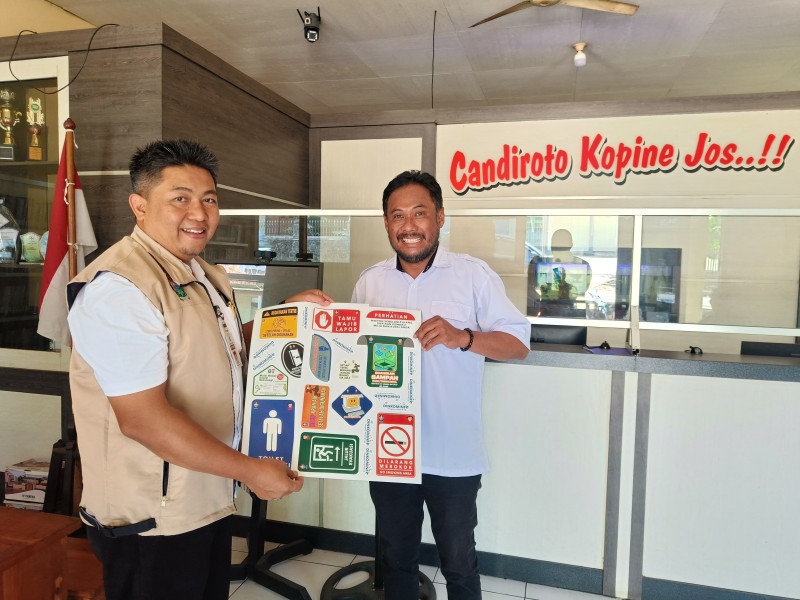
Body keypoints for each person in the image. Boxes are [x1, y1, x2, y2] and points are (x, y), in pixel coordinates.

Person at [66, 139, 332, 600]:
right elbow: (143, 419)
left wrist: (285, 316)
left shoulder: (204, 275)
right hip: (153, 519)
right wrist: (251, 470)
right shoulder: (121, 289)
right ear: (139, 206)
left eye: (209, 199)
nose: (199, 213)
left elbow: (220, 349)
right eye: (180, 198)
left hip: (205, 498)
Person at [351, 170, 530, 599]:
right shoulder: (370, 281)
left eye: (419, 213)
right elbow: (352, 359)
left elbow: (518, 344)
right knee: (396, 560)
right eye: (398, 215)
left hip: (453, 454)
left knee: (459, 563)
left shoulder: (472, 275)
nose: (408, 226)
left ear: (440, 217)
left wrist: (462, 337)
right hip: (390, 450)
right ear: (386, 222)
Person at [527, 228, 592, 317]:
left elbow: (580, 290)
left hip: (570, 314)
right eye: (555, 242)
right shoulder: (540, 264)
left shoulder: (582, 265)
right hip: (548, 314)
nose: (556, 246)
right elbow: (531, 289)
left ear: (571, 244)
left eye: (561, 242)